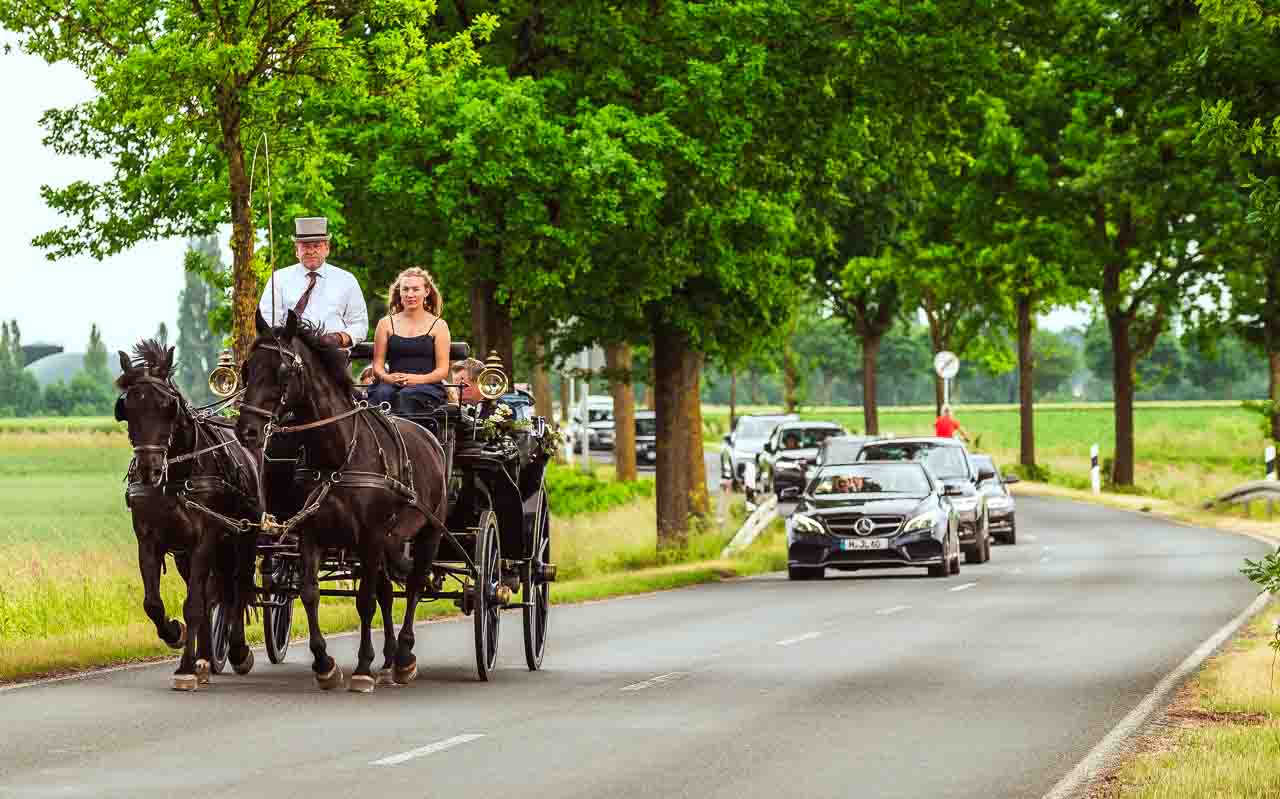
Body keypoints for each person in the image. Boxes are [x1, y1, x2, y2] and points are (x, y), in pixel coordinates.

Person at [257, 217, 368, 348]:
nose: (311, 251)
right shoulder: (278, 279)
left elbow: (360, 325)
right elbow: (268, 320)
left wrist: (339, 338)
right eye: (305, 246)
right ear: (296, 250)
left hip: (334, 356)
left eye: (316, 246)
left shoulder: (347, 280)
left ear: (327, 248)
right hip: (291, 357)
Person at [367, 268, 452, 414]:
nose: (410, 294)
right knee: (383, 394)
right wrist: (388, 378)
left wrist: (416, 380)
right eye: (405, 289)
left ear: (426, 292)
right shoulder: (385, 323)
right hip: (391, 382)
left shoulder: (439, 325)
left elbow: (442, 371)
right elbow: (378, 366)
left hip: (427, 385)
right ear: (399, 292)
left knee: (406, 396)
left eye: (415, 289)